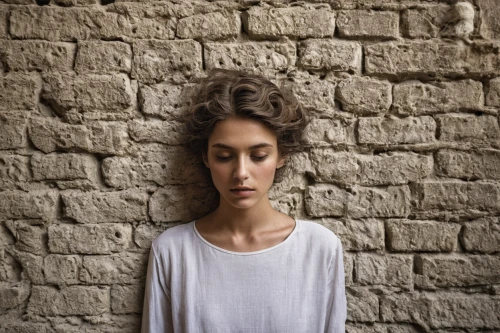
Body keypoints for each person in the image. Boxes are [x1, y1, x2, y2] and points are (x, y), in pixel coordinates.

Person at [141, 70, 346, 333]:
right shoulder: (172, 252)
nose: (241, 173)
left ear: (281, 155)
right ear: (206, 158)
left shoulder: (320, 249)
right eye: (225, 156)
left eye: (258, 156)